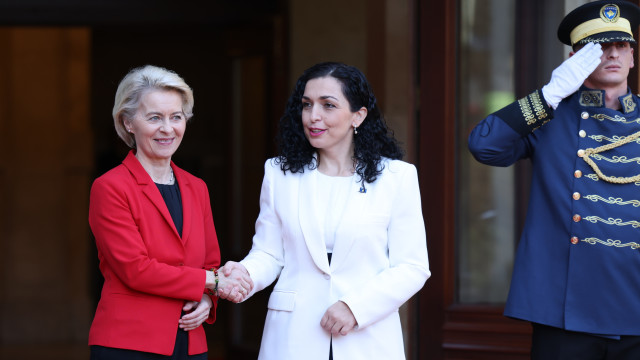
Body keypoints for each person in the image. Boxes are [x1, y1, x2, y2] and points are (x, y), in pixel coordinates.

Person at [219, 62, 430, 360]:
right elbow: (269, 253)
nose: (313, 116)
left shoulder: (397, 177)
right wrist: (245, 274)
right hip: (292, 336)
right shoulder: (279, 173)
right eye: (307, 105)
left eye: (328, 105)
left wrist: (355, 308)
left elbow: (412, 266)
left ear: (358, 116)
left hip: (367, 337)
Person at [468, 1, 640, 358]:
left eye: (621, 45)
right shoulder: (551, 115)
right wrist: (549, 94)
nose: (612, 54)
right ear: (576, 58)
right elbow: (484, 146)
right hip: (566, 311)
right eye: (599, 47)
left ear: (632, 57)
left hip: (634, 301)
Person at [88, 65, 252, 360]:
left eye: (176, 117)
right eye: (154, 118)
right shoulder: (110, 186)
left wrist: (207, 298)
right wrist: (212, 283)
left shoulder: (197, 187)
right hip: (129, 343)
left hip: (190, 341)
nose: (168, 128)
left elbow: (210, 263)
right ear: (128, 122)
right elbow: (135, 270)